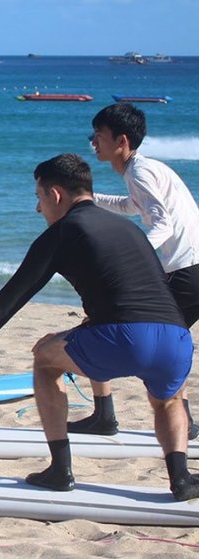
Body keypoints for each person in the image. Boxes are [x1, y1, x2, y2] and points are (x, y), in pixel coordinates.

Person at [0, 154, 198, 502]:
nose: (38, 208)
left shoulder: (63, 233)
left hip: (124, 339)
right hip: (177, 340)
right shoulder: (130, 228)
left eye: (39, 198)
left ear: (56, 194)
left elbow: (7, 301)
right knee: (167, 401)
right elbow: (142, 285)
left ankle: (60, 470)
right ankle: (181, 479)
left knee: (45, 357)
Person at [75, 103, 199, 439]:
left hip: (187, 272)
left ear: (122, 140)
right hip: (188, 270)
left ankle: (107, 416)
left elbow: (162, 221)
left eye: (98, 136)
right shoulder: (139, 170)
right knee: (166, 343)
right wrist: (88, 197)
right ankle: (180, 422)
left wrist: (135, 257)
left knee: (104, 324)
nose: (93, 143)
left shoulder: (140, 172)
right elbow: (133, 207)